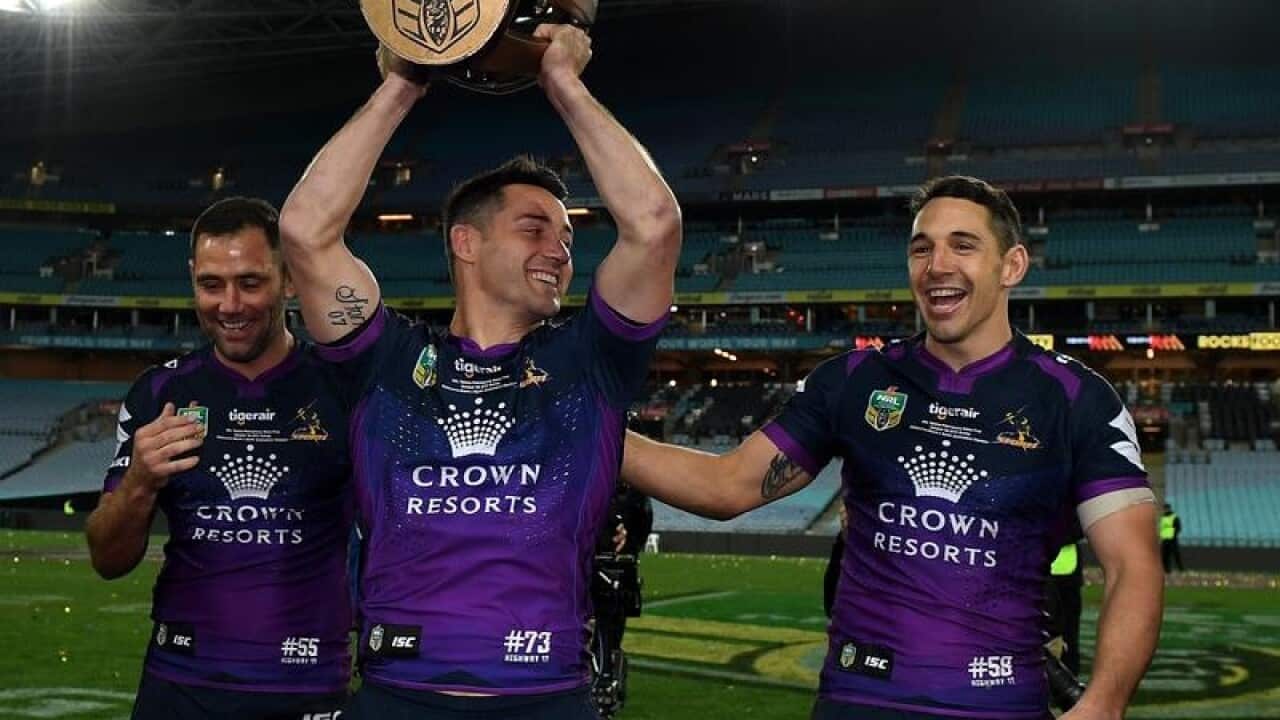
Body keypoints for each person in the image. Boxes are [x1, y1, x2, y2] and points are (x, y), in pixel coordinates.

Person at [622, 176, 1164, 720]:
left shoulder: (1077, 399)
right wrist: (593, 431)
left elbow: (1132, 566)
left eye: (963, 245)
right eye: (921, 248)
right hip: (857, 701)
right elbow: (726, 485)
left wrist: (1103, 703)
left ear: (1012, 266)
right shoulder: (855, 380)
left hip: (999, 705)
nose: (937, 265)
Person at [277, 25, 681, 719]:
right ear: (465, 242)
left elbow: (653, 224)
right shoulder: (386, 361)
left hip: (546, 699)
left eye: (567, 237)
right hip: (396, 699)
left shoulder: (588, 362)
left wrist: (563, 82)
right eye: (534, 229)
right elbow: (305, 231)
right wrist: (403, 80)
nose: (560, 251)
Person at [84, 197, 356, 720]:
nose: (230, 305)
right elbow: (107, 559)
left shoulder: (343, 389)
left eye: (250, 283)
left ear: (289, 279)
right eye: (211, 285)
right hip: (179, 683)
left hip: (306, 684)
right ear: (192, 279)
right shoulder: (159, 393)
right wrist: (139, 480)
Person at [1160, 502, 1184, 572]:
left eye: (1166, 508)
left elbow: (1178, 528)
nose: (1165, 510)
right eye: (1164, 509)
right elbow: (1162, 528)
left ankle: (1181, 569)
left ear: (1169, 508)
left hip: (1172, 539)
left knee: (1176, 555)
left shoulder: (1174, 517)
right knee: (1165, 556)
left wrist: (1173, 534)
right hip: (1165, 539)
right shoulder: (1163, 517)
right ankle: (1167, 570)